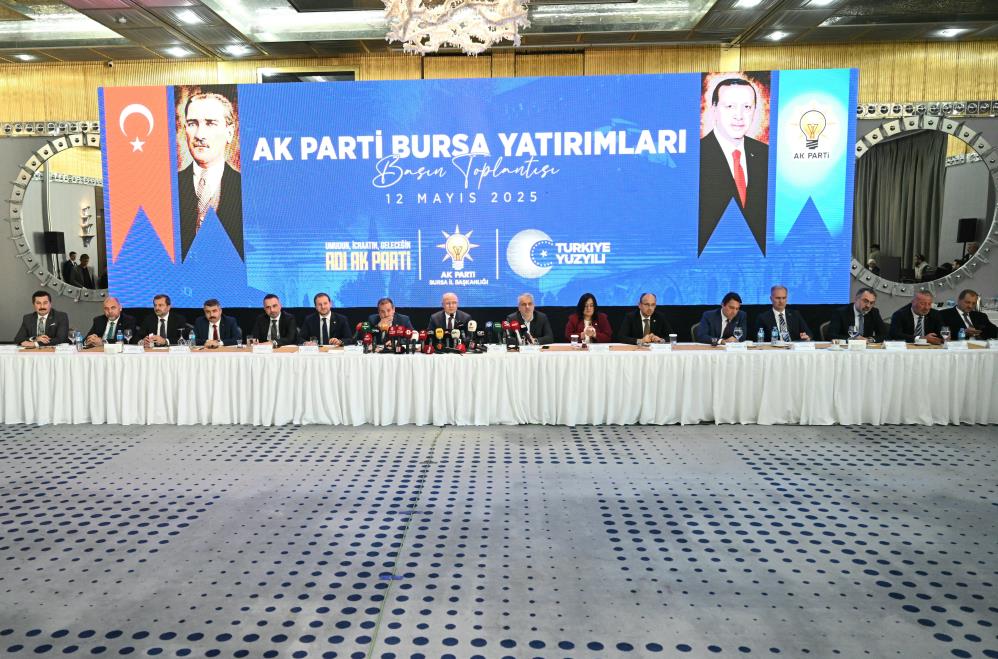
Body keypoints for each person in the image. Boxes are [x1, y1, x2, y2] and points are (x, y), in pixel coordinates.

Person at [698, 77, 769, 255]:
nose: (739, 115)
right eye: (730, 106)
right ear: (714, 110)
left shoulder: (767, 155)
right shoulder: (696, 155)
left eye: (747, 107)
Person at [177, 89, 243, 261]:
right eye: (192, 123)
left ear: (230, 132)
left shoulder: (246, 187)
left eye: (210, 123)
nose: (199, 135)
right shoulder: (168, 188)